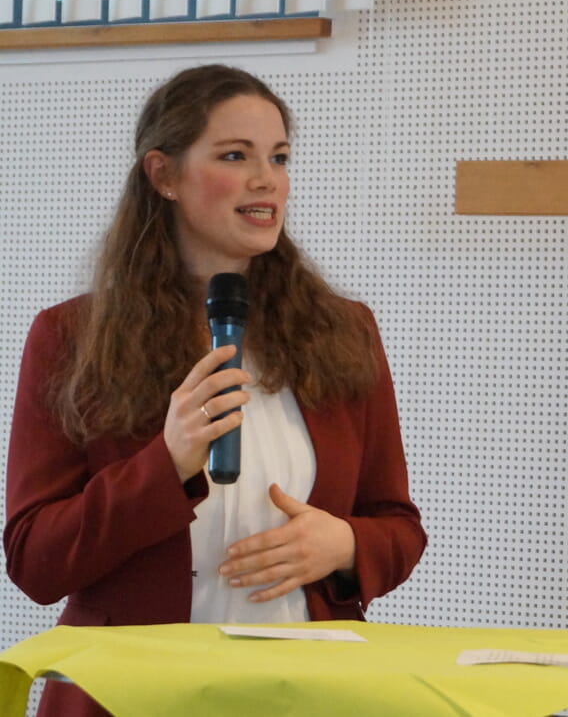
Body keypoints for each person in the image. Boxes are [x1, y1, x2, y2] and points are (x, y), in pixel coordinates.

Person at [5, 65, 428, 716]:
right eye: (236, 155)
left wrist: (343, 545)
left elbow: (398, 528)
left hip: (308, 690)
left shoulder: (346, 332)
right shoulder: (70, 336)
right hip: (130, 694)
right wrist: (164, 465)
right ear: (164, 175)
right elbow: (36, 560)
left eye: (279, 157)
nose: (267, 179)